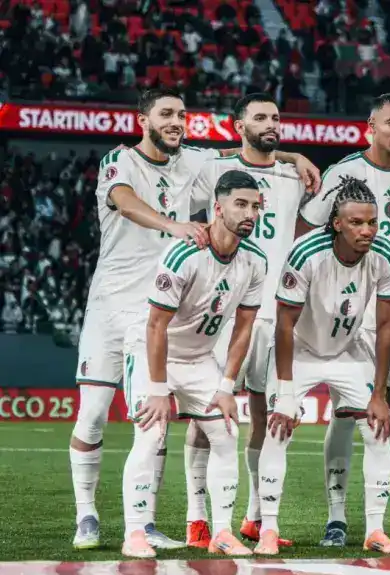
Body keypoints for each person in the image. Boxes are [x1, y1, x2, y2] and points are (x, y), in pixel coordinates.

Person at [69, 87, 321, 551]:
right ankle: (87, 514)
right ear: (142, 119)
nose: (175, 122)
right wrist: (175, 225)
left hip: (168, 308)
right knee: (93, 416)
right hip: (114, 305)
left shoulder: (195, 161)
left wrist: (292, 154)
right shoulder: (119, 161)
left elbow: (242, 150)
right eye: (165, 114)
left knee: (156, 424)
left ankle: (146, 525)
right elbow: (123, 201)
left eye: (181, 115)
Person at [298, 93, 390, 548]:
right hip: (352, 314)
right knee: (348, 412)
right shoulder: (344, 173)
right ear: (370, 125)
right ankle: (337, 515)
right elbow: (314, 230)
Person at [121, 170, 267, 559]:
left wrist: (226, 385)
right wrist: (156, 391)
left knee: (225, 435)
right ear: (217, 209)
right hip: (155, 354)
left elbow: (244, 326)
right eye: (240, 204)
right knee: (150, 435)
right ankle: (134, 533)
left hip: (200, 359)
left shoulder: (255, 261)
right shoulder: (184, 253)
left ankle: (220, 532)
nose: (250, 212)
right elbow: (156, 325)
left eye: (255, 205)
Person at [182, 93, 306, 550]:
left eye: (276, 117)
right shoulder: (214, 170)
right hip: (221, 312)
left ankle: (256, 518)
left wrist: (293, 156)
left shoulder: (295, 176)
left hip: (275, 313)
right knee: (207, 416)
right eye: (260, 117)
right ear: (238, 125)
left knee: (267, 417)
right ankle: (197, 518)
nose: (271, 123)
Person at [262, 177, 390, 555]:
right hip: (302, 349)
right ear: (337, 223)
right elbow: (284, 323)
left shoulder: (386, 255)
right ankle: (268, 530)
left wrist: (379, 392)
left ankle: (375, 529)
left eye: (372, 222)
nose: (367, 230)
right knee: (278, 427)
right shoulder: (306, 253)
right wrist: (287, 393)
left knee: (378, 431)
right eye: (357, 223)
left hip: (349, 350)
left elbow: (386, 325)